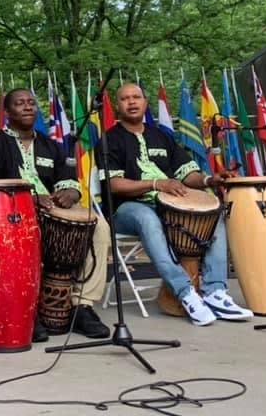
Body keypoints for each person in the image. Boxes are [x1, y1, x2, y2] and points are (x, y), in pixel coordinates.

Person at [98, 82, 253, 325]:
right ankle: (186, 293)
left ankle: (215, 292)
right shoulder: (109, 140)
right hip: (126, 209)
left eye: (136, 97)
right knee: (146, 218)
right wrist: (156, 184)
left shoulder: (162, 136)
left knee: (213, 213)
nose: (131, 102)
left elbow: (186, 174)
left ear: (145, 102)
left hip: (168, 207)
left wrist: (210, 179)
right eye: (125, 98)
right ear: (117, 106)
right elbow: (114, 185)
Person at [0, 88, 112, 341]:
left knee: (99, 227)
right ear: (7, 111)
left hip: (53, 210)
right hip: (12, 215)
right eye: (19, 103)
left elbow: (68, 181)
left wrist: (69, 193)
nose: (27, 107)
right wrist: (30, 199)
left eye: (31, 103)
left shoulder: (52, 146)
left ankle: (82, 306)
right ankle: (28, 311)